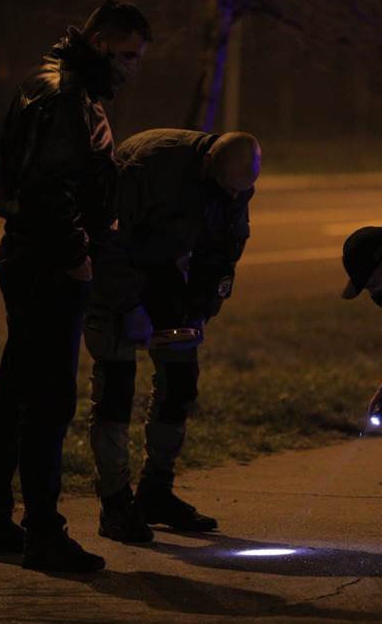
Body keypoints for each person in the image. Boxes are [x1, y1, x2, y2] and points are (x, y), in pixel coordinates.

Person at [0, 0, 152, 573]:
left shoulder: (49, 83)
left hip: (28, 255)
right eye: (126, 55)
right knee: (48, 402)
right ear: (99, 43)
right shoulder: (68, 96)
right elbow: (50, 187)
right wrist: (77, 259)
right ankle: (43, 533)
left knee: (17, 393)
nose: (131, 68)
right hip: (48, 264)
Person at [84, 128, 260, 543]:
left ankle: (155, 492)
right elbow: (106, 239)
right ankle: (115, 503)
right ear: (209, 164)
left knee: (180, 380)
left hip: (164, 270)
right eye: (227, 188)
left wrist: (203, 304)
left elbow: (226, 243)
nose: (234, 197)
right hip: (115, 273)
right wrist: (129, 308)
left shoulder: (234, 182)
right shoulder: (149, 164)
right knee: (116, 387)